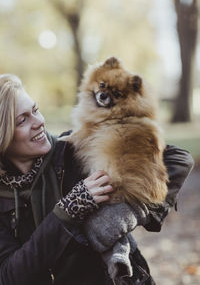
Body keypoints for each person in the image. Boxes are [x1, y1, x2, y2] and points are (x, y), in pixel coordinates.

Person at [0, 74, 194, 285]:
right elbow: (10, 276)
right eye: (22, 120)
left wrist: (122, 213)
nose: (39, 122)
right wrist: (67, 212)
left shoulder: (76, 149)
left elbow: (177, 159)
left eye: (35, 110)